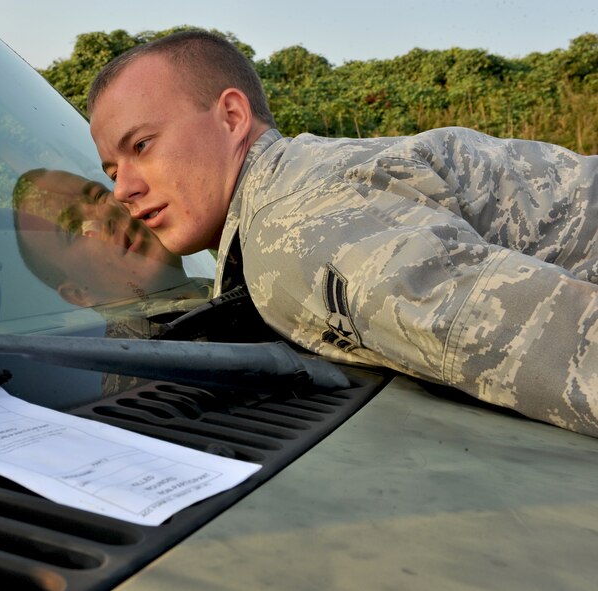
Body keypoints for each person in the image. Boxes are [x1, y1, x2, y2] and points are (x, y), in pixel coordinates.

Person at [86, 30, 598, 437]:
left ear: (232, 117)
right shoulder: (297, 181)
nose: (123, 189)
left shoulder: (298, 228)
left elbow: (571, 350)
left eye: (142, 145)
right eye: (112, 170)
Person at [11, 168, 213, 338]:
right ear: (79, 294)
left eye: (98, 196)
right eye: (74, 228)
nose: (108, 212)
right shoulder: (152, 366)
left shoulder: (221, 285)